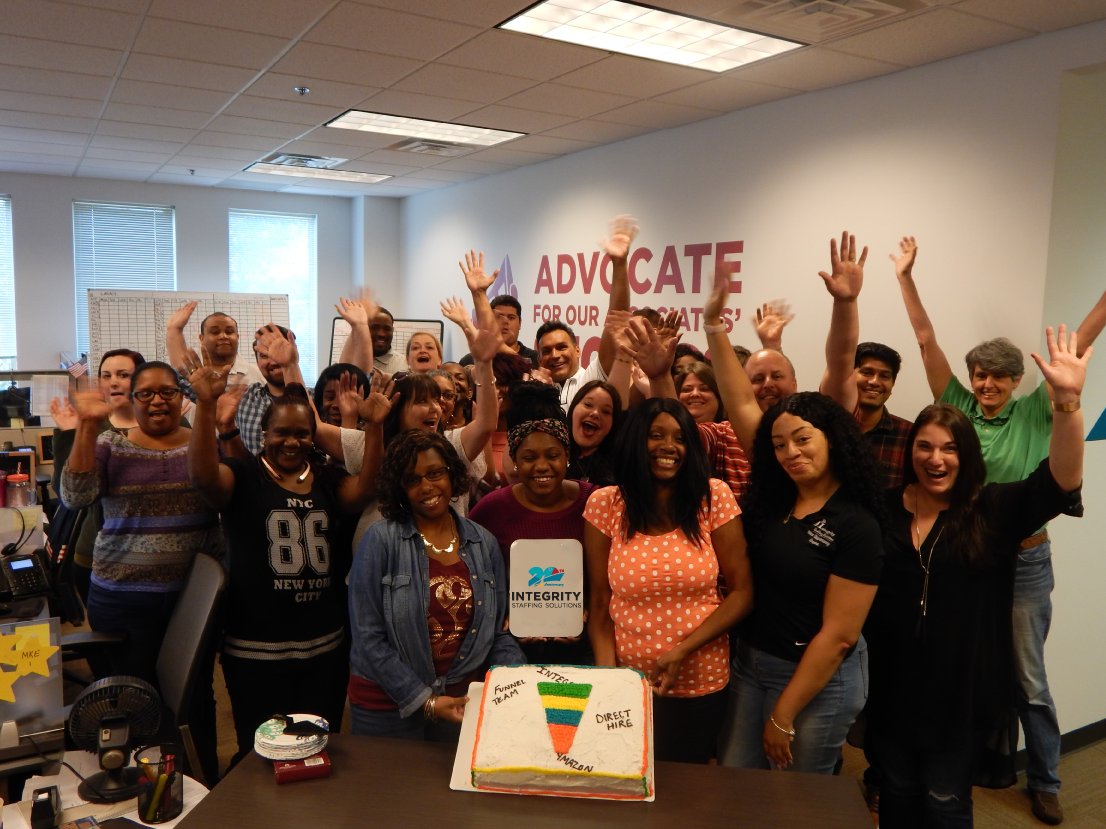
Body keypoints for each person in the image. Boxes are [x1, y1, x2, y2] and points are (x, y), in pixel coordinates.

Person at [893, 236, 1106, 824]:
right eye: (979, 376)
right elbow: (925, 340)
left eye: (998, 378)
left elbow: (1081, 339)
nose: (986, 385)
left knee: (1028, 678)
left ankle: (1046, 779)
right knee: (955, 660)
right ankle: (953, 764)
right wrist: (906, 278)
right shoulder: (957, 409)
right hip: (963, 557)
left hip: (1025, 557)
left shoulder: (1036, 410)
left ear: (1016, 381)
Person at [864, 324, 1088, 827]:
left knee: (945, 803)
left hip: (959, 694)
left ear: (967, 455)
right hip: (894, 688)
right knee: (896, 795)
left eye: (950, 448)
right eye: (924, 447)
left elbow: (1060, 481)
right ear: (910, 452)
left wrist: (1067, 403)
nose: (936, 459)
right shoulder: (884, 508)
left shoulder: (990, 510)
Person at [186, 350, 383, 762]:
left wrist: (376, 427)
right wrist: (205, 405)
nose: (292, 442)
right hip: (255, 649)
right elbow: (204, 478)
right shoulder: (244, 475)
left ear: (313, 436)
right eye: (281, 433)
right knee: (259, 751)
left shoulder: (327, 479)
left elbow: (365, 488)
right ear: (264, 433)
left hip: (324, 647)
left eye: (302, 433)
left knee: (318, 746)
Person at [717, 392, 883, 775]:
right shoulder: (772, 504)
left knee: (794, 795)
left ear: (832, 438)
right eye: (779, 445)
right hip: (751, 665)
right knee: (733, 780)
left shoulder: (856, 524)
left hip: (816, 679)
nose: (790, 452)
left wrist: (783, 715)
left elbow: (839, 636)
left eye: (802, 439)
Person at [584, 398, 753, 764]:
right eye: (656, 435)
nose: (669, 447)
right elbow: (599, 603)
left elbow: (742, 593)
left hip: (701, 680)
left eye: (680, 438)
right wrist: (609, 678)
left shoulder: (713, 496)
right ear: (635, 441)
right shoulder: (605, 504)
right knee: (627, 775)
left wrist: (682, 650)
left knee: (688, 784)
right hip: (629, 683)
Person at [347, 430, 525, 740]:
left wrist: (519, 682)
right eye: (412, 480)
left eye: (434, 473)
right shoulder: (380, 540)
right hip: (386, 709)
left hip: (460, 704)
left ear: (452, 474)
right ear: (400, 488)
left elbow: (497, 632)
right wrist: (425, 700)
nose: (427, 486)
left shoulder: (483, 543)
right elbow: (367, 638)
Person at [60, 359, 224, 682]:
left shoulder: (204, 444)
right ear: (133, 400)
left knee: (195, 693)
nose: (157, 400)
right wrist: (87, 425)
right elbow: (75, 496)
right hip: (123, 598)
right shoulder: (111, 445)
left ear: (181, 397)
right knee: (133, 693)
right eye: (146, 394)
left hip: (193, 598)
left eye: (167, 392)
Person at [469, 383, 595, 665]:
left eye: (552, 455)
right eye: (529, 458)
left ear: (567, 455)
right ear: (514, 459)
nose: (541, 466)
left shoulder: (594, 502)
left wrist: (587, 610)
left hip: (584, 648)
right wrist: (502, 614)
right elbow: (474, 578)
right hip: (511, 651)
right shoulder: (491, 509)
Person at [50, 348, 144, 601]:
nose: (113, 382)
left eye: (123, 375)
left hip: (154, 556)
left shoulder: (163, 424)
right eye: (106, 375)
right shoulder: (91, 425)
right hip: (95, 553)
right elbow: (66, 493)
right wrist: (70, 433)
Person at [852, 342, 913, 489]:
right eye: (867, 372)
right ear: (849, 375)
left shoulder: (910, 435)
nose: (874, 382)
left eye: (884, 376)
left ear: (892, 384)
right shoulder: (830, 429)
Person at [166, 304, 264, 387]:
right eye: (215, 332)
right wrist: (175, 329)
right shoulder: (192, 372)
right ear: (201, 338)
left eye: (229, 332)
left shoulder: (258, 375)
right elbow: (180, 365)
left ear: (237, 337)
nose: (223, 336)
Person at [566, 379, 622, 487]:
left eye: (606, 411)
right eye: (588, 404)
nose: (595, 413)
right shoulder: (556, 457)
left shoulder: (620, 466)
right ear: (573, 408)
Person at [461, 295, 540, 368]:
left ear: (520, 323)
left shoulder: (535, 358)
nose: (505, 321)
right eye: (499, 317)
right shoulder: (470, 360)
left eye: (511, 317)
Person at [314, 362, 370, 428]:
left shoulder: (368, 433)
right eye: (330, 397)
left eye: (348, 399)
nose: (337, 405)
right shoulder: (312, 430)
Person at [371, 307, 408, 376]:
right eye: (375, 328)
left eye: (387, 329)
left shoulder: (405, 365)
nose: (381, 334)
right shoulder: (352, 361)